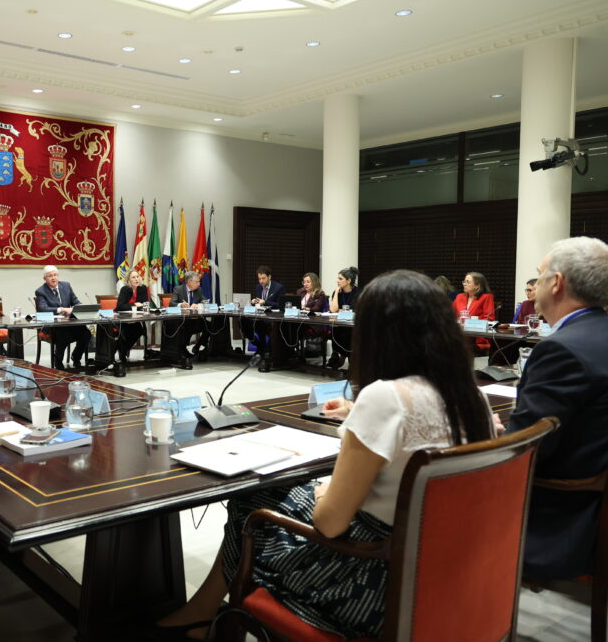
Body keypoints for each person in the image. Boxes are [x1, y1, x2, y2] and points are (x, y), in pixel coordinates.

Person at [156, 270, 494, 640]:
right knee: (271, 495)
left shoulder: (385, 397)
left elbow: (330, 523)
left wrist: (325, 490)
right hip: (439, 572)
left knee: (250, 501)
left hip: (369, 583)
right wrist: (358, 414)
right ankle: (204, 614)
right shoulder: (472, 398)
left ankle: (209, 619)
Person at [504, 237, 608, 580]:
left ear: (557, 283)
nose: (535, 284)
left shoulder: (562, 350)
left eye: (539, 275)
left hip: (555, 522)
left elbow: (522, 452)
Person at [35, 265, 91, 370]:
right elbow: (43, 308)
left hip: (69, 322)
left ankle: (76, 357)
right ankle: (58, 361)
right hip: (53, 325)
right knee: (63, 335)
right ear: (45, 279)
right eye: (50, 276)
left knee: (86, 334)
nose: (53, 278)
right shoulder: (41, 291)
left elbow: (75, 302)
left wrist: (80, 307)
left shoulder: (66, 286)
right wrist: (61, 309)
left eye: (55, 275)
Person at [242, 266, 285, 362]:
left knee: (261, 324)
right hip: (259, 315)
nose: (261, 281)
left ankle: (263, 349)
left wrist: (265, 302)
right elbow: (259, 303)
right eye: (259, 279)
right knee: (242, 320)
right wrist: (254, 302)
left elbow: (280, 305)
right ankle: (258, 344)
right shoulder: (258, 287)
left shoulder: (278, 288)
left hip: (272, 317)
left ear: (269, 277)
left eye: (263, 278)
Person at [114, 269, 149, 377]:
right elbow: (120, 306)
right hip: (122, 319)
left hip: (135, 318)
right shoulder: (125, 289)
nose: (136, 279)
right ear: (128, 280)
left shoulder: (142, 288)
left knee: (139, 331)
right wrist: (134, 305)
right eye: (133, 277)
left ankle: (123, 351)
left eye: (137, 276)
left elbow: (144, 303)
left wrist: (140, 306)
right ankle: (122, 352)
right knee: (125, 332)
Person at [170, 271, 208, 369]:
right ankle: (183, 351)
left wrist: (199, 305)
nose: (199, 284)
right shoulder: (178, 289)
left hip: (195, 320)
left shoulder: (198, 290)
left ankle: (197, 346)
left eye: (199, 282)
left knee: (210, 327)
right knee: (186, 328)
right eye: (197, 281)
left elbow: (205, 302)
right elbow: (172, 303)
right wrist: (181, 304)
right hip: (182, 321)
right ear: (189, 282)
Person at [327, 266, 360, 370]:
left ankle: (346, 357)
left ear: (349, 280)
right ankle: (339, 355)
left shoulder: (358, 292)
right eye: (338, 278)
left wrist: (341, 310)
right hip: (341, 323)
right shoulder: (338, 292)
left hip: (355, 325)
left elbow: (355, 310)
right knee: (336, 328)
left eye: (340, 279)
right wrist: (337, 292)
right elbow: (333, 310)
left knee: (347, 330)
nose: (337, 281)